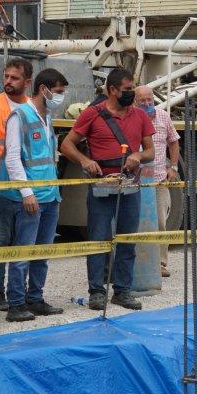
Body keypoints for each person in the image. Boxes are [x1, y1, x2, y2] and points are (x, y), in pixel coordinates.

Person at [60, 67, 155, 311]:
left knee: (127, 239)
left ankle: (122, 291)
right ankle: (97, 291)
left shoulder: (141, 116)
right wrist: (85, 161)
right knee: (98, 239)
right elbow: (67, 144)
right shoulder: (93, 114)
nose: (130, 94)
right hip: (101, 184)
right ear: (112, 90)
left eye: (132, 88)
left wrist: (137, 156)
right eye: (126, 90)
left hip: (130, 184)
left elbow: (151, 152)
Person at [0, 68, 69, 322]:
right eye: (58, 92)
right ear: (43, 89)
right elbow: (13, 157)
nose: (61, 97)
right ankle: (16, 303)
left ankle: (34, 298)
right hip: (31, 197)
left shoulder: (47, 117)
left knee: (41, 254)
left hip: (49, 196)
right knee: (22, 252)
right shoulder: (20, 116)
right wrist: (26, 193)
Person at [0, 57, 35, 312]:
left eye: (14, 78)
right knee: (0, 240)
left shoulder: (30, 109)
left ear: (27, 81)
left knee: (21, 243)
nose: (8, 82)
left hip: (24, 185)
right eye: (6, 76)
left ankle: (18, 290)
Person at [134, 85, 181, 277]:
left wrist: (174, 167)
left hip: (159, 180)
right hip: (136, 181)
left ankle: (160, 263)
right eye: (142, 100)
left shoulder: (163, 116)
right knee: (135, 224)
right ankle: (137, 262)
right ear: (135, 101)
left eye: (149, 100)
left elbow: (174, 141)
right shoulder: (131, 118)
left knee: (161, 222)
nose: (147, 104)